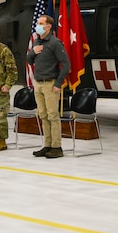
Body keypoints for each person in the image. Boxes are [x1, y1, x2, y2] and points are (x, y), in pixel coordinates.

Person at [26, 14, 70, 159]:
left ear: (48, 26)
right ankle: (47, 145)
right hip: (38, 83)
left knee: (53, 116)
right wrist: (33, 51)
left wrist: (58, 83)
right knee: (43, 115)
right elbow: (29, 60)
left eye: (40, 23)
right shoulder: (37, 42)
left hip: (50, 83)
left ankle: (57, 147)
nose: (37, 25)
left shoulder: (54, 43)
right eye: (37, 22)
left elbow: (66, 64)